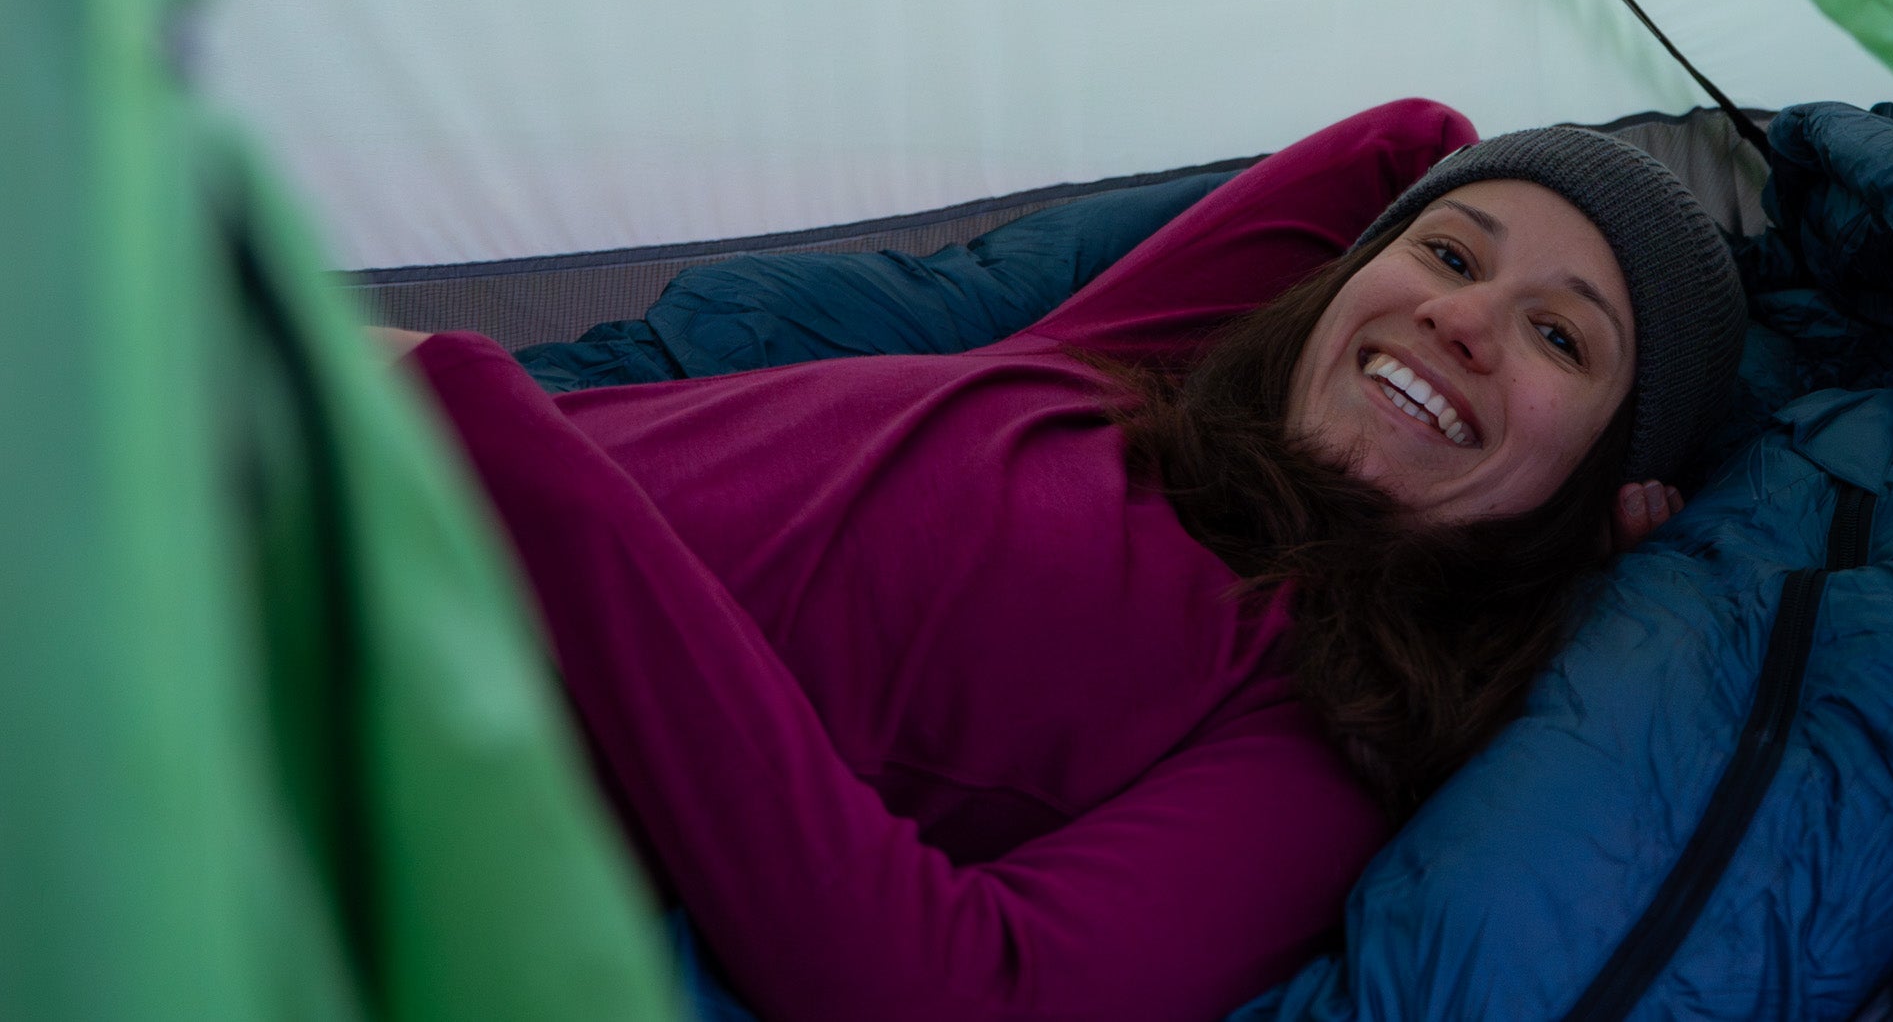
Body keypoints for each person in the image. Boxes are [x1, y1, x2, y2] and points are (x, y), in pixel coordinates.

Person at [390, 102, 1748, 1022]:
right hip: (360, 490)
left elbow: (957, 992)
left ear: (1608, 484)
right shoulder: (1117, 376)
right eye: (1449, 256)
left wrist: (503, 448)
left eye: (1561, 340)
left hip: (403, 695)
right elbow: (1402, 144)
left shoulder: (1316, 738)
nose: (1460, 319)